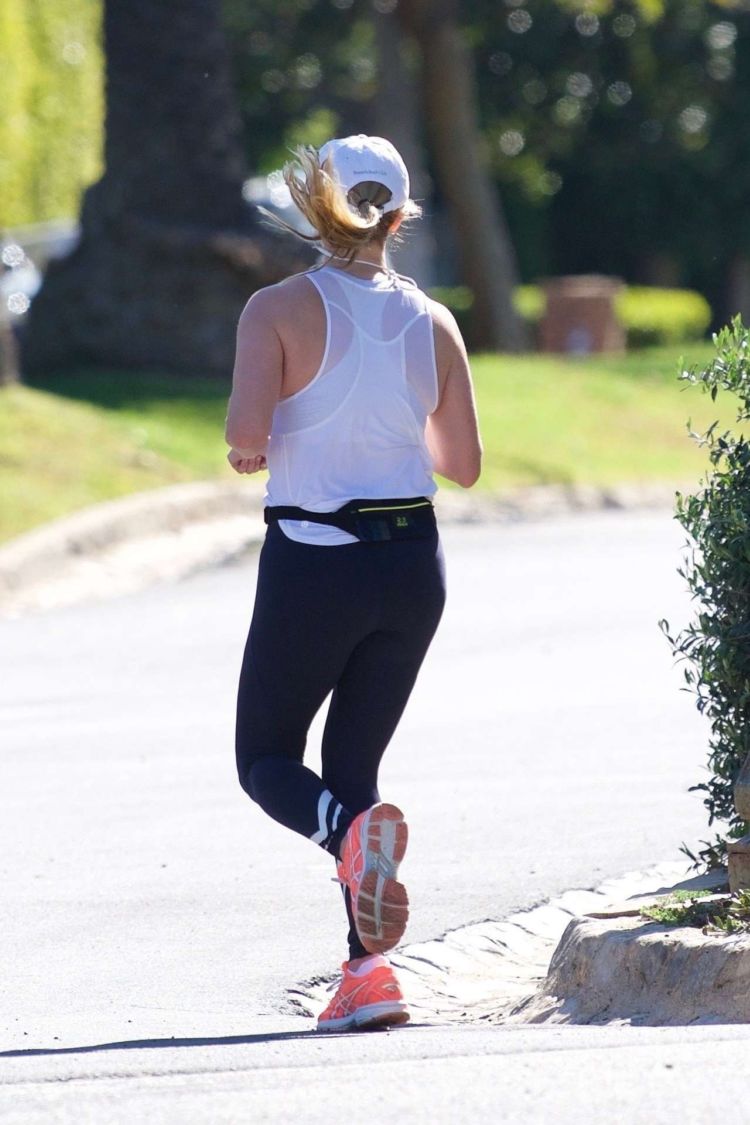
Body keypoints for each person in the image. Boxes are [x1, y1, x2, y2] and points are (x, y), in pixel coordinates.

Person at [225, 135, 482, 1032]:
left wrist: (261, 442)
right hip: (414, 567)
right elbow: (465, 465)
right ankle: (368, 979)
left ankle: (344, 838)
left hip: (315, 564)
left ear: (314, 209)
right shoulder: (435, 320)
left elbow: (244, 436)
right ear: (402, 217)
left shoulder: (275, 309)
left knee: (265, 759)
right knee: (354, 766)